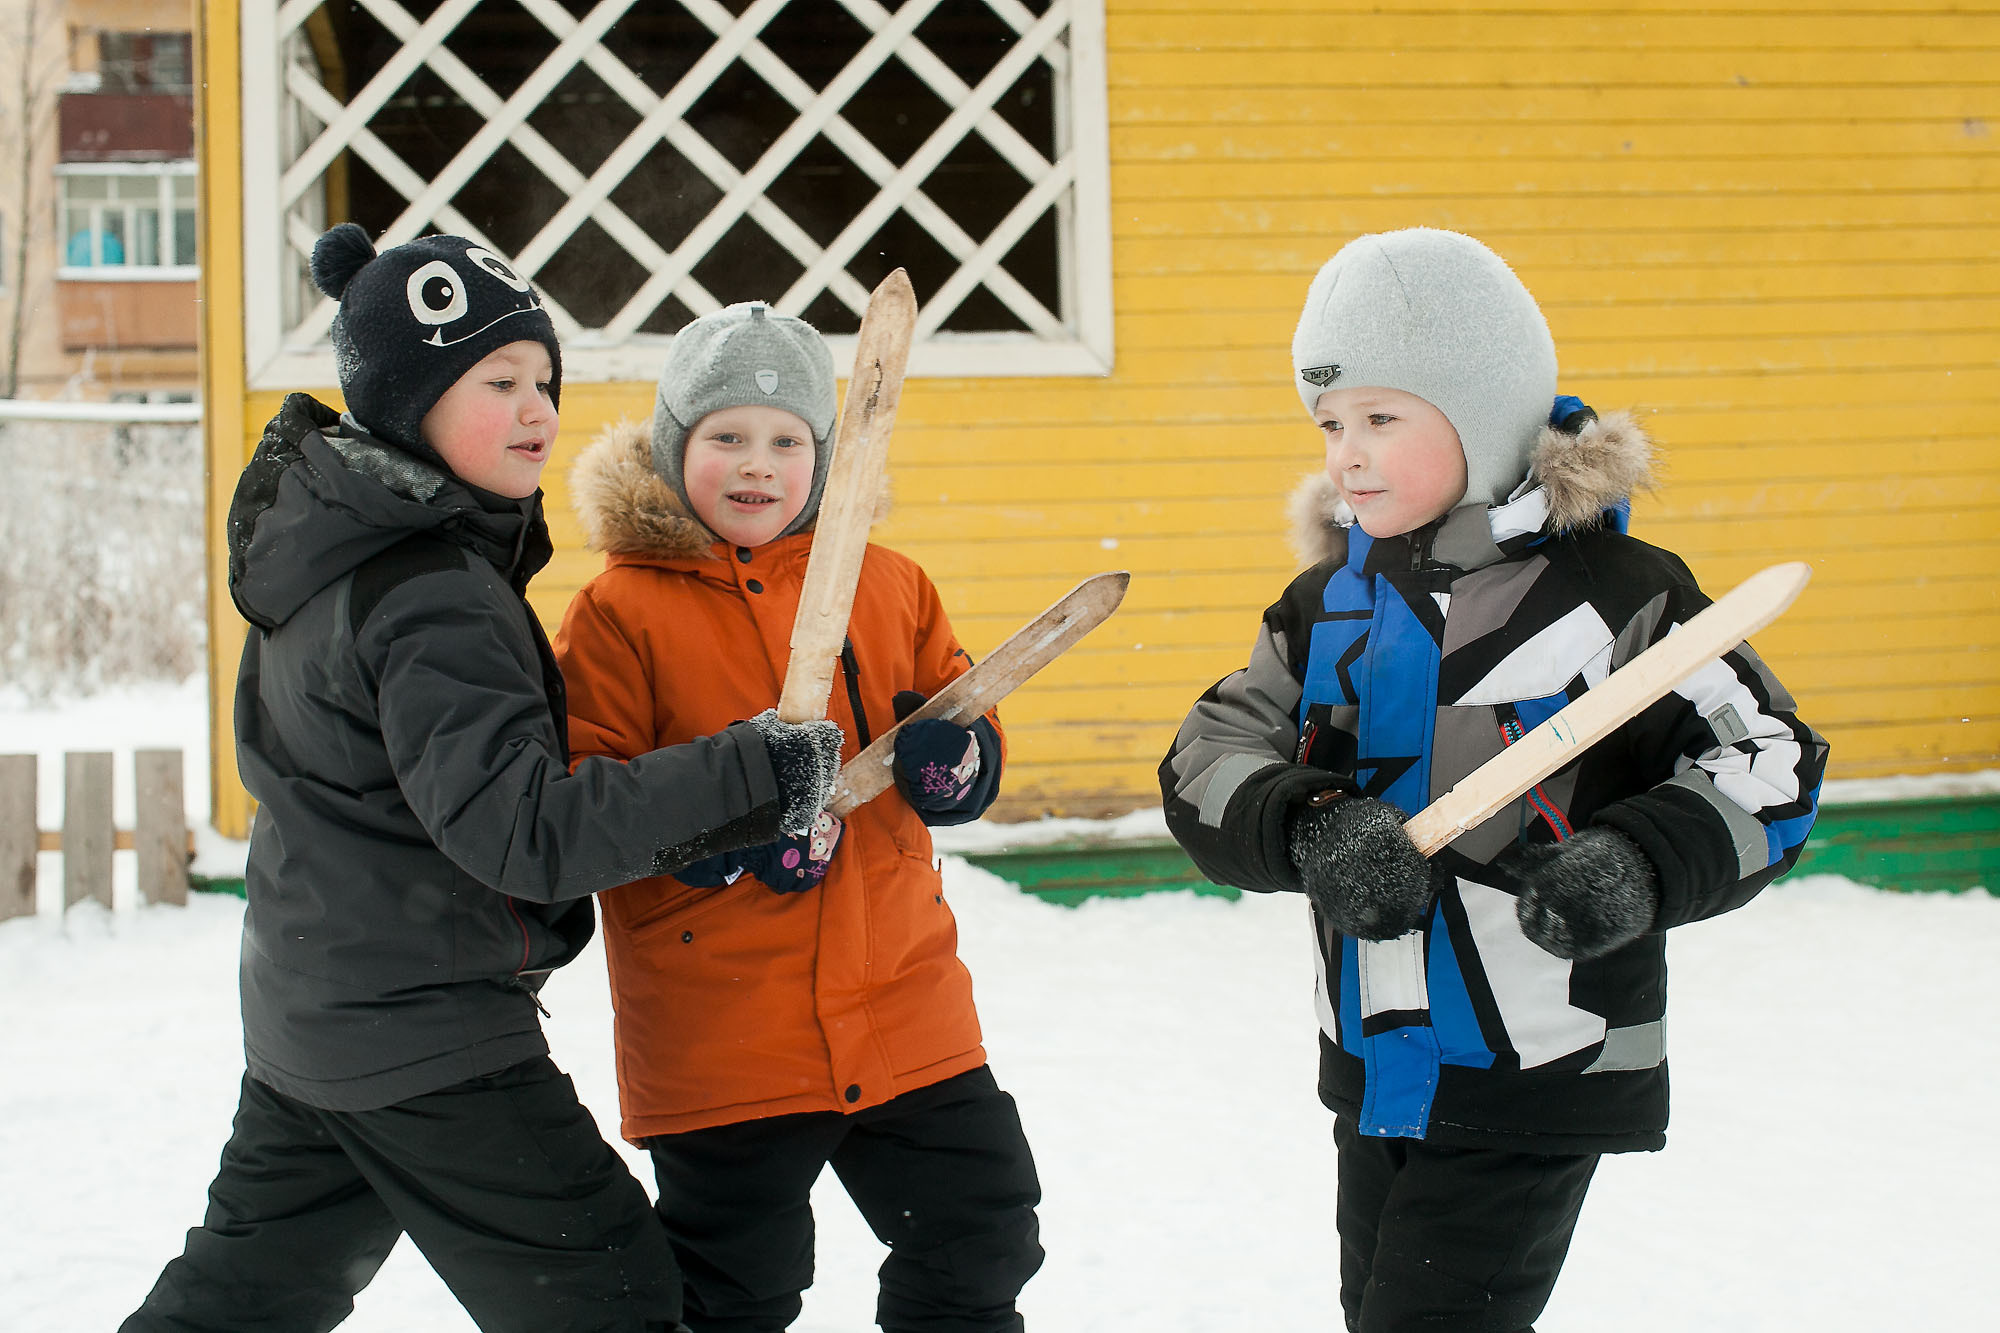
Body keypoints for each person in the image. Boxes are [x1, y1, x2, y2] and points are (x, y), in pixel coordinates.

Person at [121, 226, 845, 1333]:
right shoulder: (430, 591)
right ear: (409, 399)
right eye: (497, 380)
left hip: (315, 1007)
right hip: (426, 1030)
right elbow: (525, 832)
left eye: (544, 380)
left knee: (244, 1300)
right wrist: (756, 768)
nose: (536, 411)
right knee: (614, 1298)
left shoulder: (327, 554)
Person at [1158, 228, 1828, 1332]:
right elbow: (1206, 756)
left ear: (1481, 417)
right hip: (1375, 1061)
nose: (1345, 454)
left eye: (1381, 418)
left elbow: (1767, 764)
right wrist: (1307, 825)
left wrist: (1638, 862)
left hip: (1540, 1060)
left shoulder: (1618, 599)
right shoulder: (1326, 606)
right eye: (1328, 423)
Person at [553, 302, 1044, 1333]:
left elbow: (963, 707)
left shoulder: (889, 581)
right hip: (720, 1022)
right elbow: (593, 800)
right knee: (736, 1286)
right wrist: (723, 847)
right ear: (672, 444)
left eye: (787, 441)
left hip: (901, 997)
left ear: (825, 459)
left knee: (982, 1229)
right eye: (725, 436)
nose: (756, 464)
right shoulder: (618, 611)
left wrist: (955, 760)